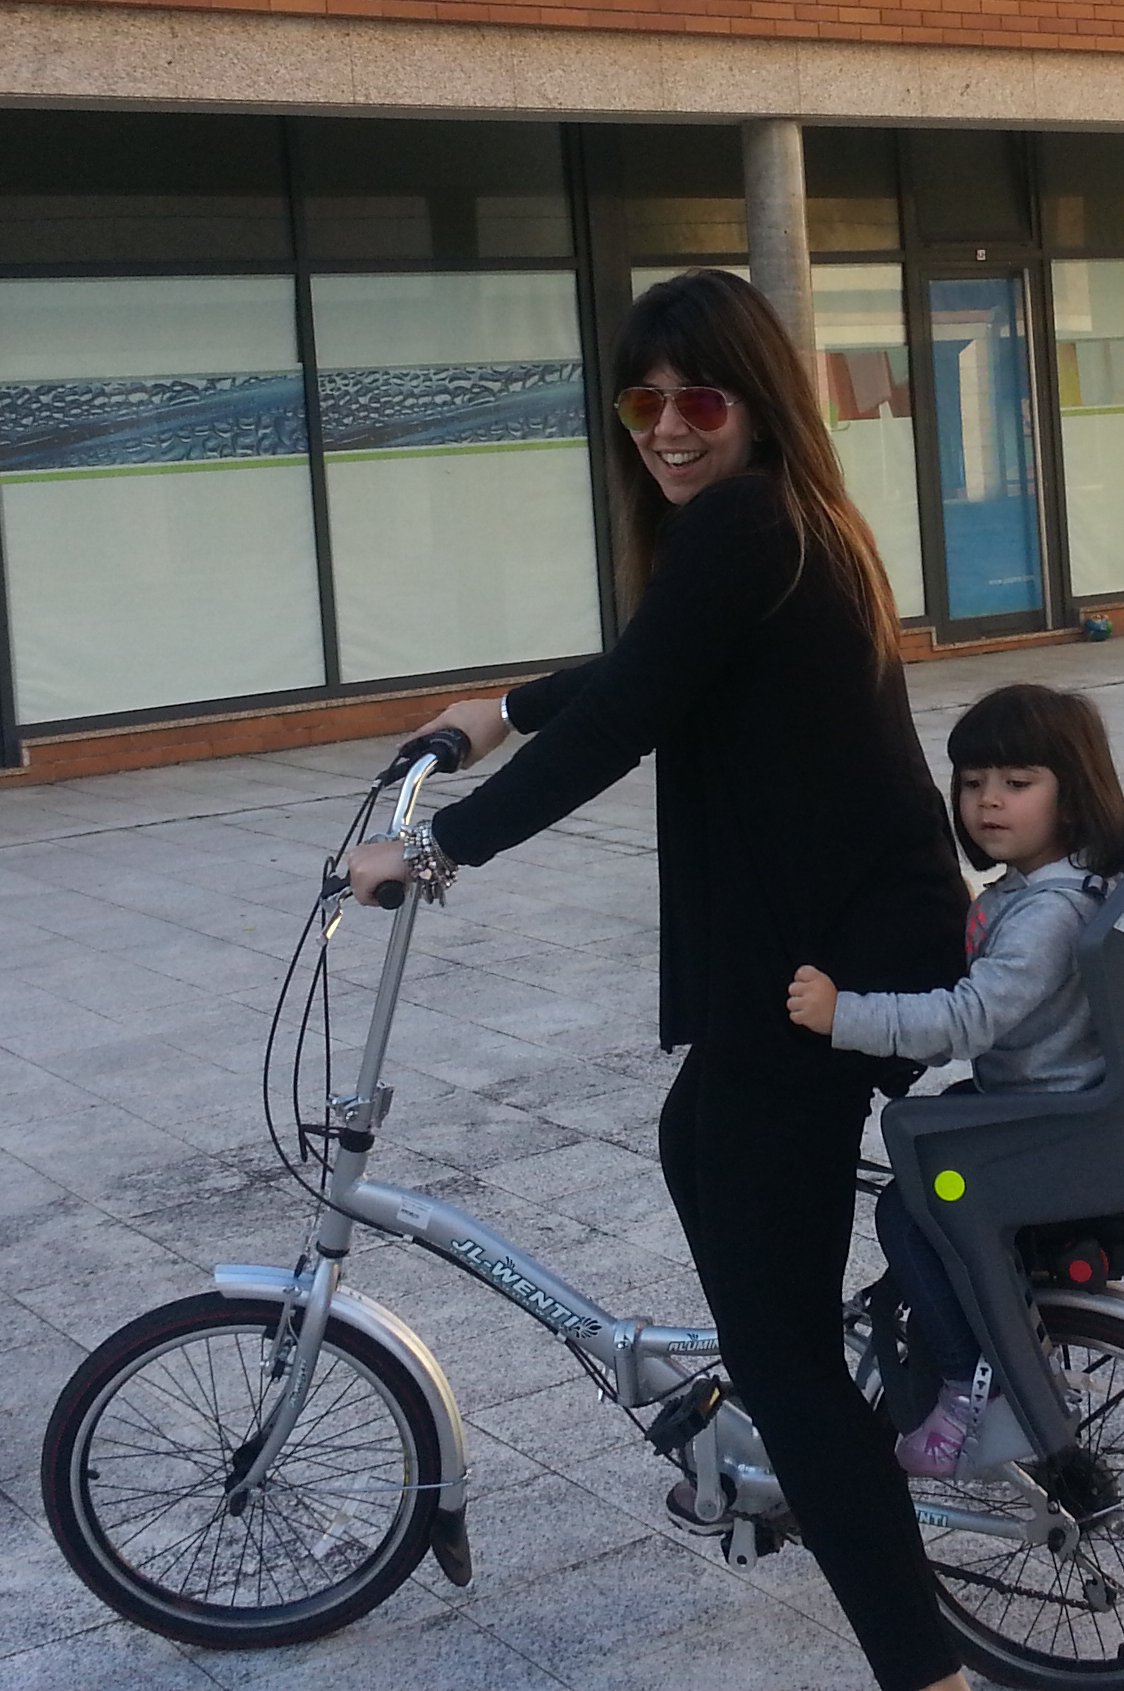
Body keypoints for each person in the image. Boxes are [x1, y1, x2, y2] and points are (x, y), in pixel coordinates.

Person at [353, 268, 974, 1691]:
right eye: (644, 403)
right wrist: (499, 710)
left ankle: (924, 1669)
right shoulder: (777, 526)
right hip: (818, 954)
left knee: (786, 1356)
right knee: (698, 1139)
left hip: (827, 973)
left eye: (700, 399)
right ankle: (789, 1410)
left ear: (758, 404)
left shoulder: (750, 520)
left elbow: (628, 715)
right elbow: (656, 663)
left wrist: (437, 850)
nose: (669, 429)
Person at [787, 683, 1124, 1479]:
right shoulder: (1068, 883)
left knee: (910, 1210)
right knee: (932, 1144)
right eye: (973, 782)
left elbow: (968, 1022)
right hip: (1063, 1103)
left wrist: (844, 1015)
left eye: (1018, 782)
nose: (988, 801)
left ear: (1074, 792)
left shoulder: (1048, 915)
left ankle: (972, 1383)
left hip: (1046, 1118)